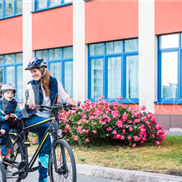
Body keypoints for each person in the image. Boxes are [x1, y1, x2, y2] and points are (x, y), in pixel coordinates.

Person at [25, 57, 77, 182]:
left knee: (46, 148)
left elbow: (65, 96)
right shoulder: (31, 85)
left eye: (35, 71)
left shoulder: (55, 82)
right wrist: (30, 102)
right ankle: (42, 164)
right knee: (49, 127)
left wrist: (72, 103)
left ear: (43, 70)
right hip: (33, 118)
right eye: (31, 72)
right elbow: (28, 98)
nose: (33, 74)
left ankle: (42, 179)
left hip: (50, 120)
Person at [0, 83, 21, 156]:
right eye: (8, 93)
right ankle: (3, 146)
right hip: (4, 122)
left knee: (23, 128)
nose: (10, 95)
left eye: (12, 93)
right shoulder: (1, 103)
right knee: (4, 130)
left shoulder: (15, 103)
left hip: (13, 122)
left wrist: (15, 115)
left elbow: (19, 112)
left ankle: (21, 145)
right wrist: (3, 118)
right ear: (2, 94)